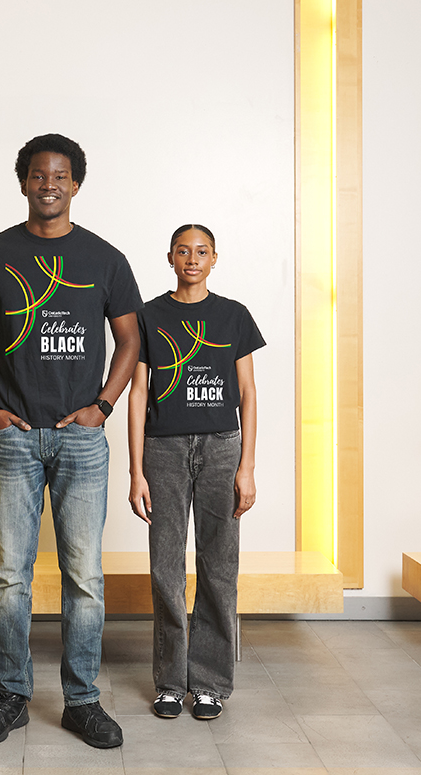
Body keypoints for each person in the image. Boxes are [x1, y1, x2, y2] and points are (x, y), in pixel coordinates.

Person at [0, 134, 141, 748]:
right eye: (38, 175)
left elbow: (131, 340)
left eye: (60, 175)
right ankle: (10, 695)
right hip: (14, 440)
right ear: (23, 182)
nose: (49, 184)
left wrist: (102, 407)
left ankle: (82, 700)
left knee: (84, 576)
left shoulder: (105, 259)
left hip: (81, 442)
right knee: (11, 575)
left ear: (76, 184)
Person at [127, 224, 264, 721]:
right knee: (166, 568)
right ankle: (170, 682)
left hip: (222, 449)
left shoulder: (234, 316)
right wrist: (136, 470)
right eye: (183, 251)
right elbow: (138, 392)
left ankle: (209, 683)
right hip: (163, 450)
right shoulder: (148, 316)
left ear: (214, 258)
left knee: (219, 568)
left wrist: (247, 466)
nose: (192, 259)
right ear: (170, 257)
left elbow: (247, 393)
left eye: (201, 251)